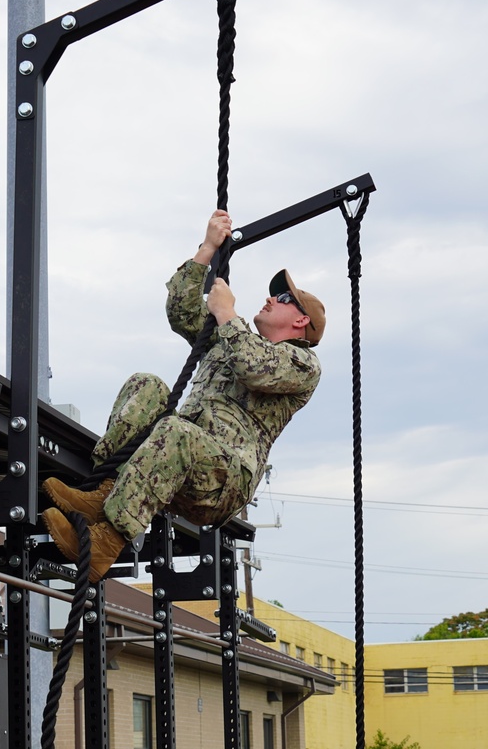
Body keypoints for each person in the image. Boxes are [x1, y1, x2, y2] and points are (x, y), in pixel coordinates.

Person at [41, 209, 325, 582]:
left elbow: (254, 368)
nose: (271, 298)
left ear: (301, 321)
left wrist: (227, 313)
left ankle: (103, 545)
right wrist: (206, 250)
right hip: (179, 456)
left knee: (177, 431)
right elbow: (182, 313)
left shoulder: (303, 364)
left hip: (223, 480)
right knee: (146, 386)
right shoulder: (230, 340)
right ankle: (105, 492)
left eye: (284, 297)